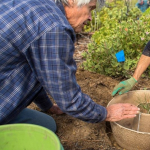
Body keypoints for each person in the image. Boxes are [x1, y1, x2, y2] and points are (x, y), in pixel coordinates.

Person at [0, 0, 139, 133]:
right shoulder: (54, 29)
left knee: (48, 125)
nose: (90, 18)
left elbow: (33, 69)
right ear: (72, 1)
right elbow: (69, 99)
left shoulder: (42, 8)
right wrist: (107, 113)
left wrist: (47, 106)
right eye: (90, 8)